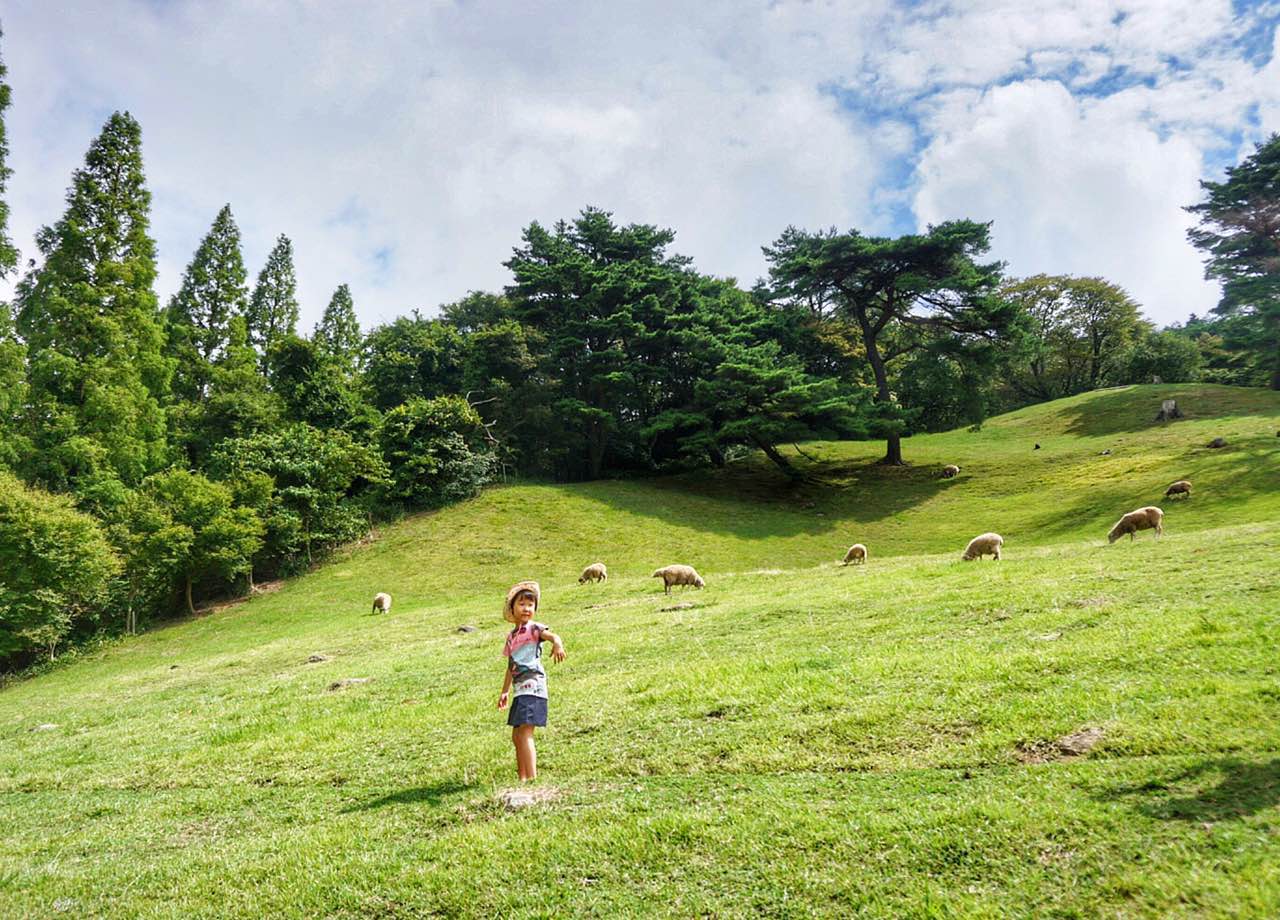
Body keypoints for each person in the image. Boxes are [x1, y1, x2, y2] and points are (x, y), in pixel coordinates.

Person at [497, 581, 565, 782]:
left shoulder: (534, 628)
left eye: (530, 604)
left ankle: (532, 779)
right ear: (513, 608)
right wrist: (505, 692)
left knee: (525, 732)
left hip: (534, 687)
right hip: (520, 691)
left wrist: (558, 644)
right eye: (521, 604)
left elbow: (552, 635)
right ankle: (523, 777)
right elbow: (511, 666)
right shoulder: (511, 637)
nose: (526, 608)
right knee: (516, 736)